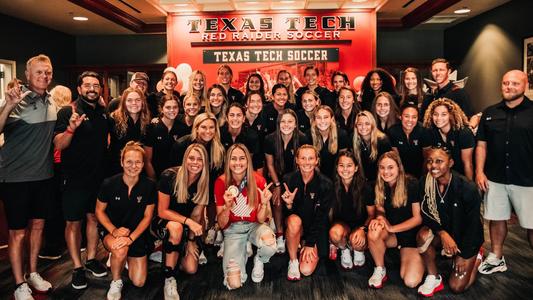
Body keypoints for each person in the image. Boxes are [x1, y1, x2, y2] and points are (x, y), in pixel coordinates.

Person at [0, 54, 56, 299]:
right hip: (15, 178)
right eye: (39, 72)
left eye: (48, 72)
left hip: (43, 175)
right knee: (18, 232)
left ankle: (33, 272)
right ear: (27, 75)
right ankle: (18, 282)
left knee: (38, 227)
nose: (44, 76)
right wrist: (9, 105)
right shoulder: (15, 99)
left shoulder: (52, 101)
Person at [54, 71, 110, 289]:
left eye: (96, 85)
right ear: (79, 88)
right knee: (73, 223)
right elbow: (59, 144)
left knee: (94, 219)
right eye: (87, 85)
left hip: (98, 178)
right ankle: (77, 267)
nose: (92, 89)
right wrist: (71, 128)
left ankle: (91, 259)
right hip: (74, 179)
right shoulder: (68, 111)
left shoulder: (103, 113)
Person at [476, 70, 533, 274]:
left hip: (528, 179)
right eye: (505, 83)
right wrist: (479, 172)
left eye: (514, 83)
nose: (509, 87)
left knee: (531, 224)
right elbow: (481, 145)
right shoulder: (490, 112)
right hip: (495, 177)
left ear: (524, 86)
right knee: (496, 217)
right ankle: (497, 257)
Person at [417, 146, 483, 297]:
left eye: (439, 161)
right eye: (430, 161)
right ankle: (433, 276)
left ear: (451, 163)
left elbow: (474, 226)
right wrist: (442, 233)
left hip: (466, 239)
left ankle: (477, 258)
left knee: (457, 287)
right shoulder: (425, 183)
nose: (433, 166)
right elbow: (425, 213)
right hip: (444, 233)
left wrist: (463, 255)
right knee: (422, 236)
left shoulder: (467, 188)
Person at [95, 141, 156, 300]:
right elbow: (99, 211)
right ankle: (116, 281)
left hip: (136, 234)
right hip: (112, 231)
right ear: (122, 162)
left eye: (137, 162)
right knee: (119, 249)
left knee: (139, 282)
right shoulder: (109, 183)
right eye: (129, 161)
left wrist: (131, 238)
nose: (133, 166)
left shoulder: (149, 186)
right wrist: (114, 231)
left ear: (143, 164)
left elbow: (147, 216)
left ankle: (123, 257)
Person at [215, 144, 276, 289]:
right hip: (233, 229)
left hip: (255, 225)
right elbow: (222, 224)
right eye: (233, 159)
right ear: (228, 161)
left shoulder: (259, 180)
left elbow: (261, 220)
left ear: (248, 161)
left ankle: (259, 259)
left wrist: (265, 204)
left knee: (269, 244)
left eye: (242, 158)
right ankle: (240, 251)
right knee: (234, 283)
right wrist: (227, 207)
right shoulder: (221, 182)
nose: (237, 163)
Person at [157, 143, 209, 300]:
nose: (195, 162)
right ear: (185, 159)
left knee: (191, 268)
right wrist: (188, 222)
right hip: (163, 221)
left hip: (186, 225)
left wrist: (192, 240)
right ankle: (169, 278)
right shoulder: (169, 176)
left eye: (199, 159)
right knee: (176, 228)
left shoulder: (204, 181)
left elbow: (196, 215)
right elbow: (162, 211)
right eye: (191, 158)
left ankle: (171, 252)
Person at [367, 151, 423, 289]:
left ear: (399, 167)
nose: (386, 172)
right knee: (374, 230)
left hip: (410, 237)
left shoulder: (412, 184)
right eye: (382, 167)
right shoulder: (378, 185)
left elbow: (418, 218)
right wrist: (379, 218)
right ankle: (380, 269)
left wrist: (392, 228)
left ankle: (420, 261)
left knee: (411, 281)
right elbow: (380, 210)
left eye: (390, 167)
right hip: (392, 236)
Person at [171, 113, 225, 245]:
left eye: (211, 127)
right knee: (192, 214)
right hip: (185, 184)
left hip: (207, 184)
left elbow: (218, 173)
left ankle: (206, 233)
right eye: (204, 127)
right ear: (196, 128)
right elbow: (173, 171)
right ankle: (185, 238)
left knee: (202, 212)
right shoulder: (182, 144)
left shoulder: (218, 148)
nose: (208, 131)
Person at [282, 145, 333, 280]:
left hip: (315, 229)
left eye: (311, 158)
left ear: (316, 160)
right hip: (297, 227)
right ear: (297, 160)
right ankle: (293, 261)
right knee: (294, 221)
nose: (307, 162)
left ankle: (303, 245)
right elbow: (286, 215)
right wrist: (289, 204)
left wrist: (310, 243)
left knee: (305, 270)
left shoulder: (326, 184)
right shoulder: (288, 180)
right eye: (303, 158)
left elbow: (322, 218)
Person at [264, 109, 308, 254]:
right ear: (278, 123)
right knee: (277, 200)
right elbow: (270, 164)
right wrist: (277, 185)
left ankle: (298, 233)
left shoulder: (302, 138)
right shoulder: (270, 139)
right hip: (277, 177)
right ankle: (280, 234)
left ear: (295, 124)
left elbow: (303, 164)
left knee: (297, 201)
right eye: (283, 121)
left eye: (290, 121)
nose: (286, 124)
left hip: (296, 178)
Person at [39, 85, 72, 260]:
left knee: (53, 207)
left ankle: (53, 245)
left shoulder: (54, 116)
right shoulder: (69, 114)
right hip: (64, 164)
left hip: (54, 164)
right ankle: (69, 242)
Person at [328, 150, 375, 269]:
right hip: (341, 225)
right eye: (341, 165)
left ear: (356, 168)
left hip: (360, 226)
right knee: (334, 233)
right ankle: (345, 249)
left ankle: (358, 250)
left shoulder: (366, 187)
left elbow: (371, 214)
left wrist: (363, 229)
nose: (345, 169)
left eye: (349, 165)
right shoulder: (331, 186)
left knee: (357, 239)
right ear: (337, 168)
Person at [422, 98, 474, 180]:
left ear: (451, 115)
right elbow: (428, 160)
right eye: (435, 114)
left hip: (461, 177)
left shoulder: (464, 133)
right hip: (442, 176)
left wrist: (470, 186)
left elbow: (467, 164)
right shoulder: (430, 132)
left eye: (443, 114)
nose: (439, 118)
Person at [143, 96, 189, 180]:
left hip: (177, 176)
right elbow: (147, 160)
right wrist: (154, 181)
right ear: (161, 109)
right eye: (168, 107)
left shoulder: (183, 128)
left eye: (175, 107)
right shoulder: (152, 128)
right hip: (156, 175)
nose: (172, 110)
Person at [108, 87, 151, 176]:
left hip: (138, 170)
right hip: (116, 170)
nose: (134, 103)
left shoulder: (147, 122)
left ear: (143, 102)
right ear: (124, 102)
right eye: (129, 100)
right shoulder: (113, 119)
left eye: (138, 100)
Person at [307, 105, 350, 178]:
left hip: (337, 176)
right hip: (315, 176)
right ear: (314, 120)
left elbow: (342, 161)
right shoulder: (308, 135)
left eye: (326, 117)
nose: (322, 121)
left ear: (332, 119)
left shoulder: (341, 135)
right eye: (319, 118)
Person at [388, 101, 427, 178]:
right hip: (401, 171)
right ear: (400, 116)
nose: (410, 120)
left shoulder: (423, 131)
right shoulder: (393, 131)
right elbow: (397, 158)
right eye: (406, 116)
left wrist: (423, 177)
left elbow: (427, 158)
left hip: (420, 171)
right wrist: (402, 176)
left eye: (414, 117)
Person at [220, 102, 262, 170]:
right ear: (227, 118)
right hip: (223, 170)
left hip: (244, 170)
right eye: (232, 115)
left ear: (243, 119)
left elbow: (257, 163)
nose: (235, 118)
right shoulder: (219, 133)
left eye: (239, 115)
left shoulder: (252, 136)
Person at [352, 111, 392, 182]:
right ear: (356, 126)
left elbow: (387, 165)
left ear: (372, 125)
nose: (363, 127)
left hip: (381, 180)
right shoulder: (354, 140)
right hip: (364, 180)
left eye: (367, 124)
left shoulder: (383, 141)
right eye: (360, 124)